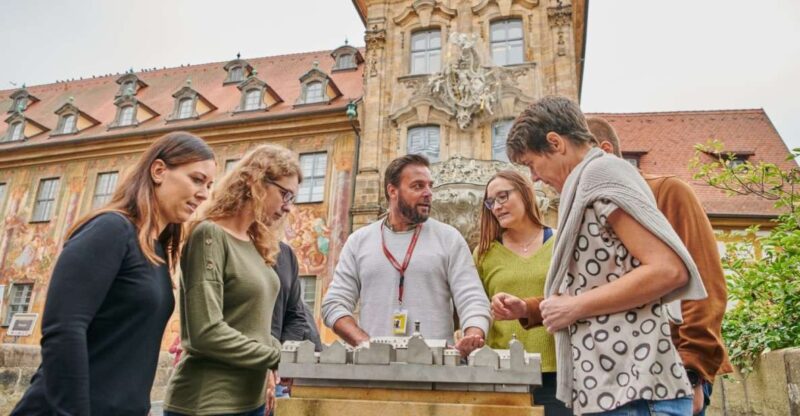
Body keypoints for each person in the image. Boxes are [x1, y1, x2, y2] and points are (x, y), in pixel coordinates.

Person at [492, 96, 707, 415]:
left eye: (531, 164)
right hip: (615, 388)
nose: (534, 177)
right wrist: (535, 307)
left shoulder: (601, 173)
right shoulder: (586, 183)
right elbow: (604, 279)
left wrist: (574, 307)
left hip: (635, 390)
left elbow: (667, 270)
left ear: (555, 143)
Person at [12, 132, 216, 416]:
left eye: (209, 185)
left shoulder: (155, 248)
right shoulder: (111, 229)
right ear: (158, 171)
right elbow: (64, 329)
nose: (204, 193)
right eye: (196, 179)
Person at [587, 116, 733, 415]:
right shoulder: (595, 206)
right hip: (623, 372)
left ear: (606, 151)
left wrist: (693, 369)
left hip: (674, 366)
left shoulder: (666, 192)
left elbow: (705, 284)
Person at [163, 144, 302, 416]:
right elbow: (205, 333)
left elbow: (256, 328)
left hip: (251, 402)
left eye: (293, 198)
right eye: (284, 194)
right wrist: (279, 357)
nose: (287, 207)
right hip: (208, 403)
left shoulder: (255, 243)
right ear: (255, 182)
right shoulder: (210, 235)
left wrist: (294, 354)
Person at [321, 154, 491, 356]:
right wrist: (365, 343)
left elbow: (473, 299)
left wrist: (472, 334)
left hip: (435, 368)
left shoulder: (449, 238)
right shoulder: (359, 241)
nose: (428, 193)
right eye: (418, 186)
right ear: (392, 191)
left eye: (430, 186)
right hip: (375, 368)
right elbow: (333, 304)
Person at [474, 170, 568, 415]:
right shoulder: (483, 254)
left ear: (526, 193)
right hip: (502, 370)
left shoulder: (561, 243)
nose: (496, 206)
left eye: (503, 196)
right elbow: (475, 308)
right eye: (491, 202)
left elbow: (576, 299)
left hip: (557, 371)